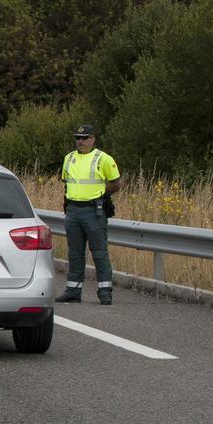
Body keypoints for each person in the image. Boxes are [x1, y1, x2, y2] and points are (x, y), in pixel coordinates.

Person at [56, 125, 123, 305]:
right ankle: (73, 290)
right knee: (75, 253)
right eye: (78, 137)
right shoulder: (69, 158)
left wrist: (101, 195)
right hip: (73, 210)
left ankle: (105, 291)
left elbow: (117, 183)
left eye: (84, 138)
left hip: (94, 210)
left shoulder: (104, 159)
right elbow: (67, 184)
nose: (80, 141)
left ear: (93, 139)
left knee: (99, 252)